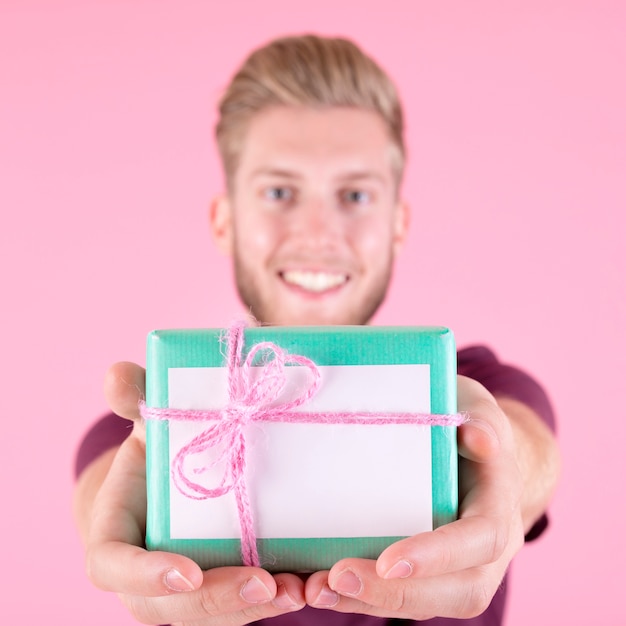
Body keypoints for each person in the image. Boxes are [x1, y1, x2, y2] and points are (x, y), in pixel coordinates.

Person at [73, 35, 560, 625]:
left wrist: (498, 460)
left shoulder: (479, 382)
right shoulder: (154, 419)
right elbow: (106, 493)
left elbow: (528, 450)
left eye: (355, 194)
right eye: (279, 192)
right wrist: (132, 515)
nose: (318, 232)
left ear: (397, 224)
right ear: (226, 222)